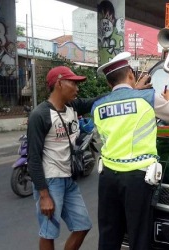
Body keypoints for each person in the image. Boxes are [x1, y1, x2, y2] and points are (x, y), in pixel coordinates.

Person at [92, 51, 169, 250]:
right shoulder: (147, 98)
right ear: (130, 75)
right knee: (138, 236)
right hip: (137, 179)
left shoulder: (98, 106)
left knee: (109, 234)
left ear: (109, 83)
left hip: (108, 178)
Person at [27, 66, 102, 250]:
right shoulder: (40, 115)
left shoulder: (72, 107)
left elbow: (97, 101)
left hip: (68, 180)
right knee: (49, 232)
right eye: (73, 83)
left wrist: (126, 90)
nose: (77, 88)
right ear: (59, 83)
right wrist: (44, 195)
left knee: (83, 225)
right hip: (51, 181)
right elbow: (33, 159)